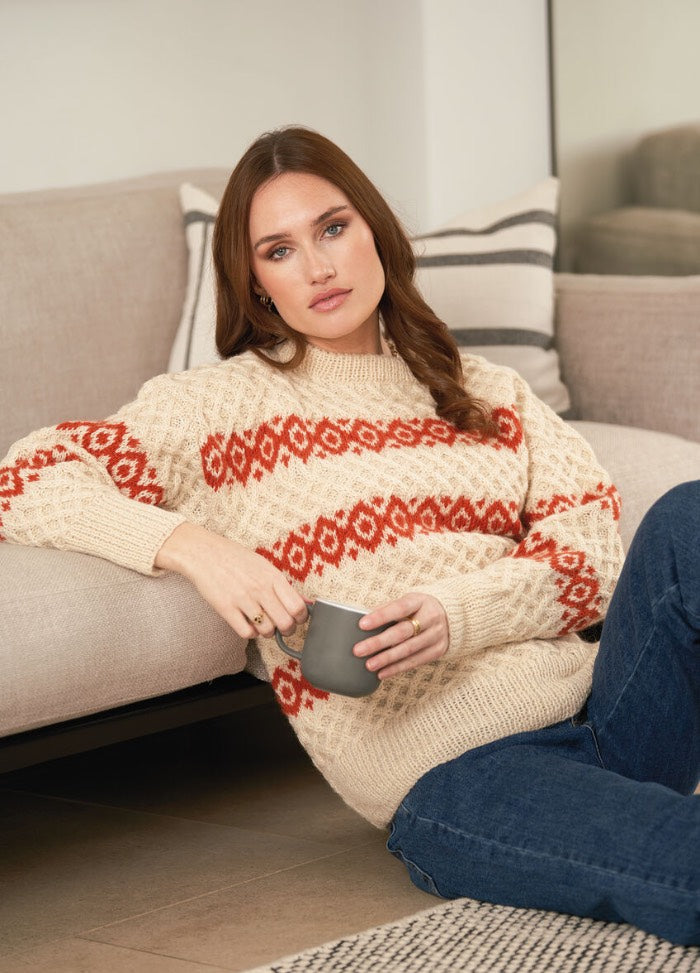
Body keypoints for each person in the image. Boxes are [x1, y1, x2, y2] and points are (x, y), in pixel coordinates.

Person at [1, 126, 697, 946]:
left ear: (374, 230)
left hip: (601, 713)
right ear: (256, 282)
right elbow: (27, 475)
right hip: (461, 776)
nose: (320, 266)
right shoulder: (214, 408)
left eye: (333, 228)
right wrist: (197, 546)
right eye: (280, 250)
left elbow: (588, 552)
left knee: (687, 514)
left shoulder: (487, 390)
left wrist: (458, 611)